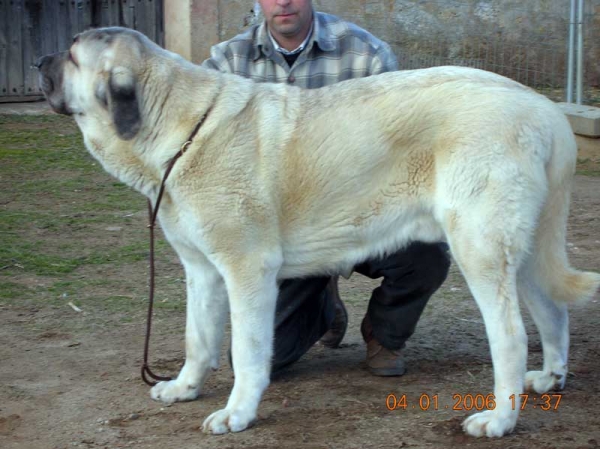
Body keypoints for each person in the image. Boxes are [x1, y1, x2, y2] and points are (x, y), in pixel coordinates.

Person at [202, 0, 451, 376]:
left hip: (362, 211)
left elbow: (397, 148)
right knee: (258, 364)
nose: (283, 1)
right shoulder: (226, 64)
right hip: (282, 232)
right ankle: (323, 306)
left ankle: (385, 333)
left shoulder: (367, 55)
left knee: (427, 253)